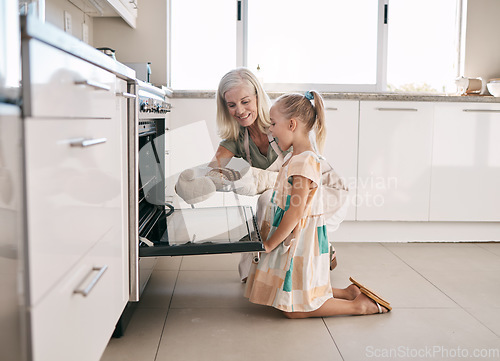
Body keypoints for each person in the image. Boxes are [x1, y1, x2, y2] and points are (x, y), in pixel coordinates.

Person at [244, 91, 391, 318]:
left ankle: (359, 306)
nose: (270, 130)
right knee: (294, 288)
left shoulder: (304, 162)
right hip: (297, 237)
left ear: (292, 124)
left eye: (273, 124)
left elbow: (295, 212)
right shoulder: (296, 157)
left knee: (294, 311)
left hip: (301, 239)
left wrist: (271, 243)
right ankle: (346, 292)